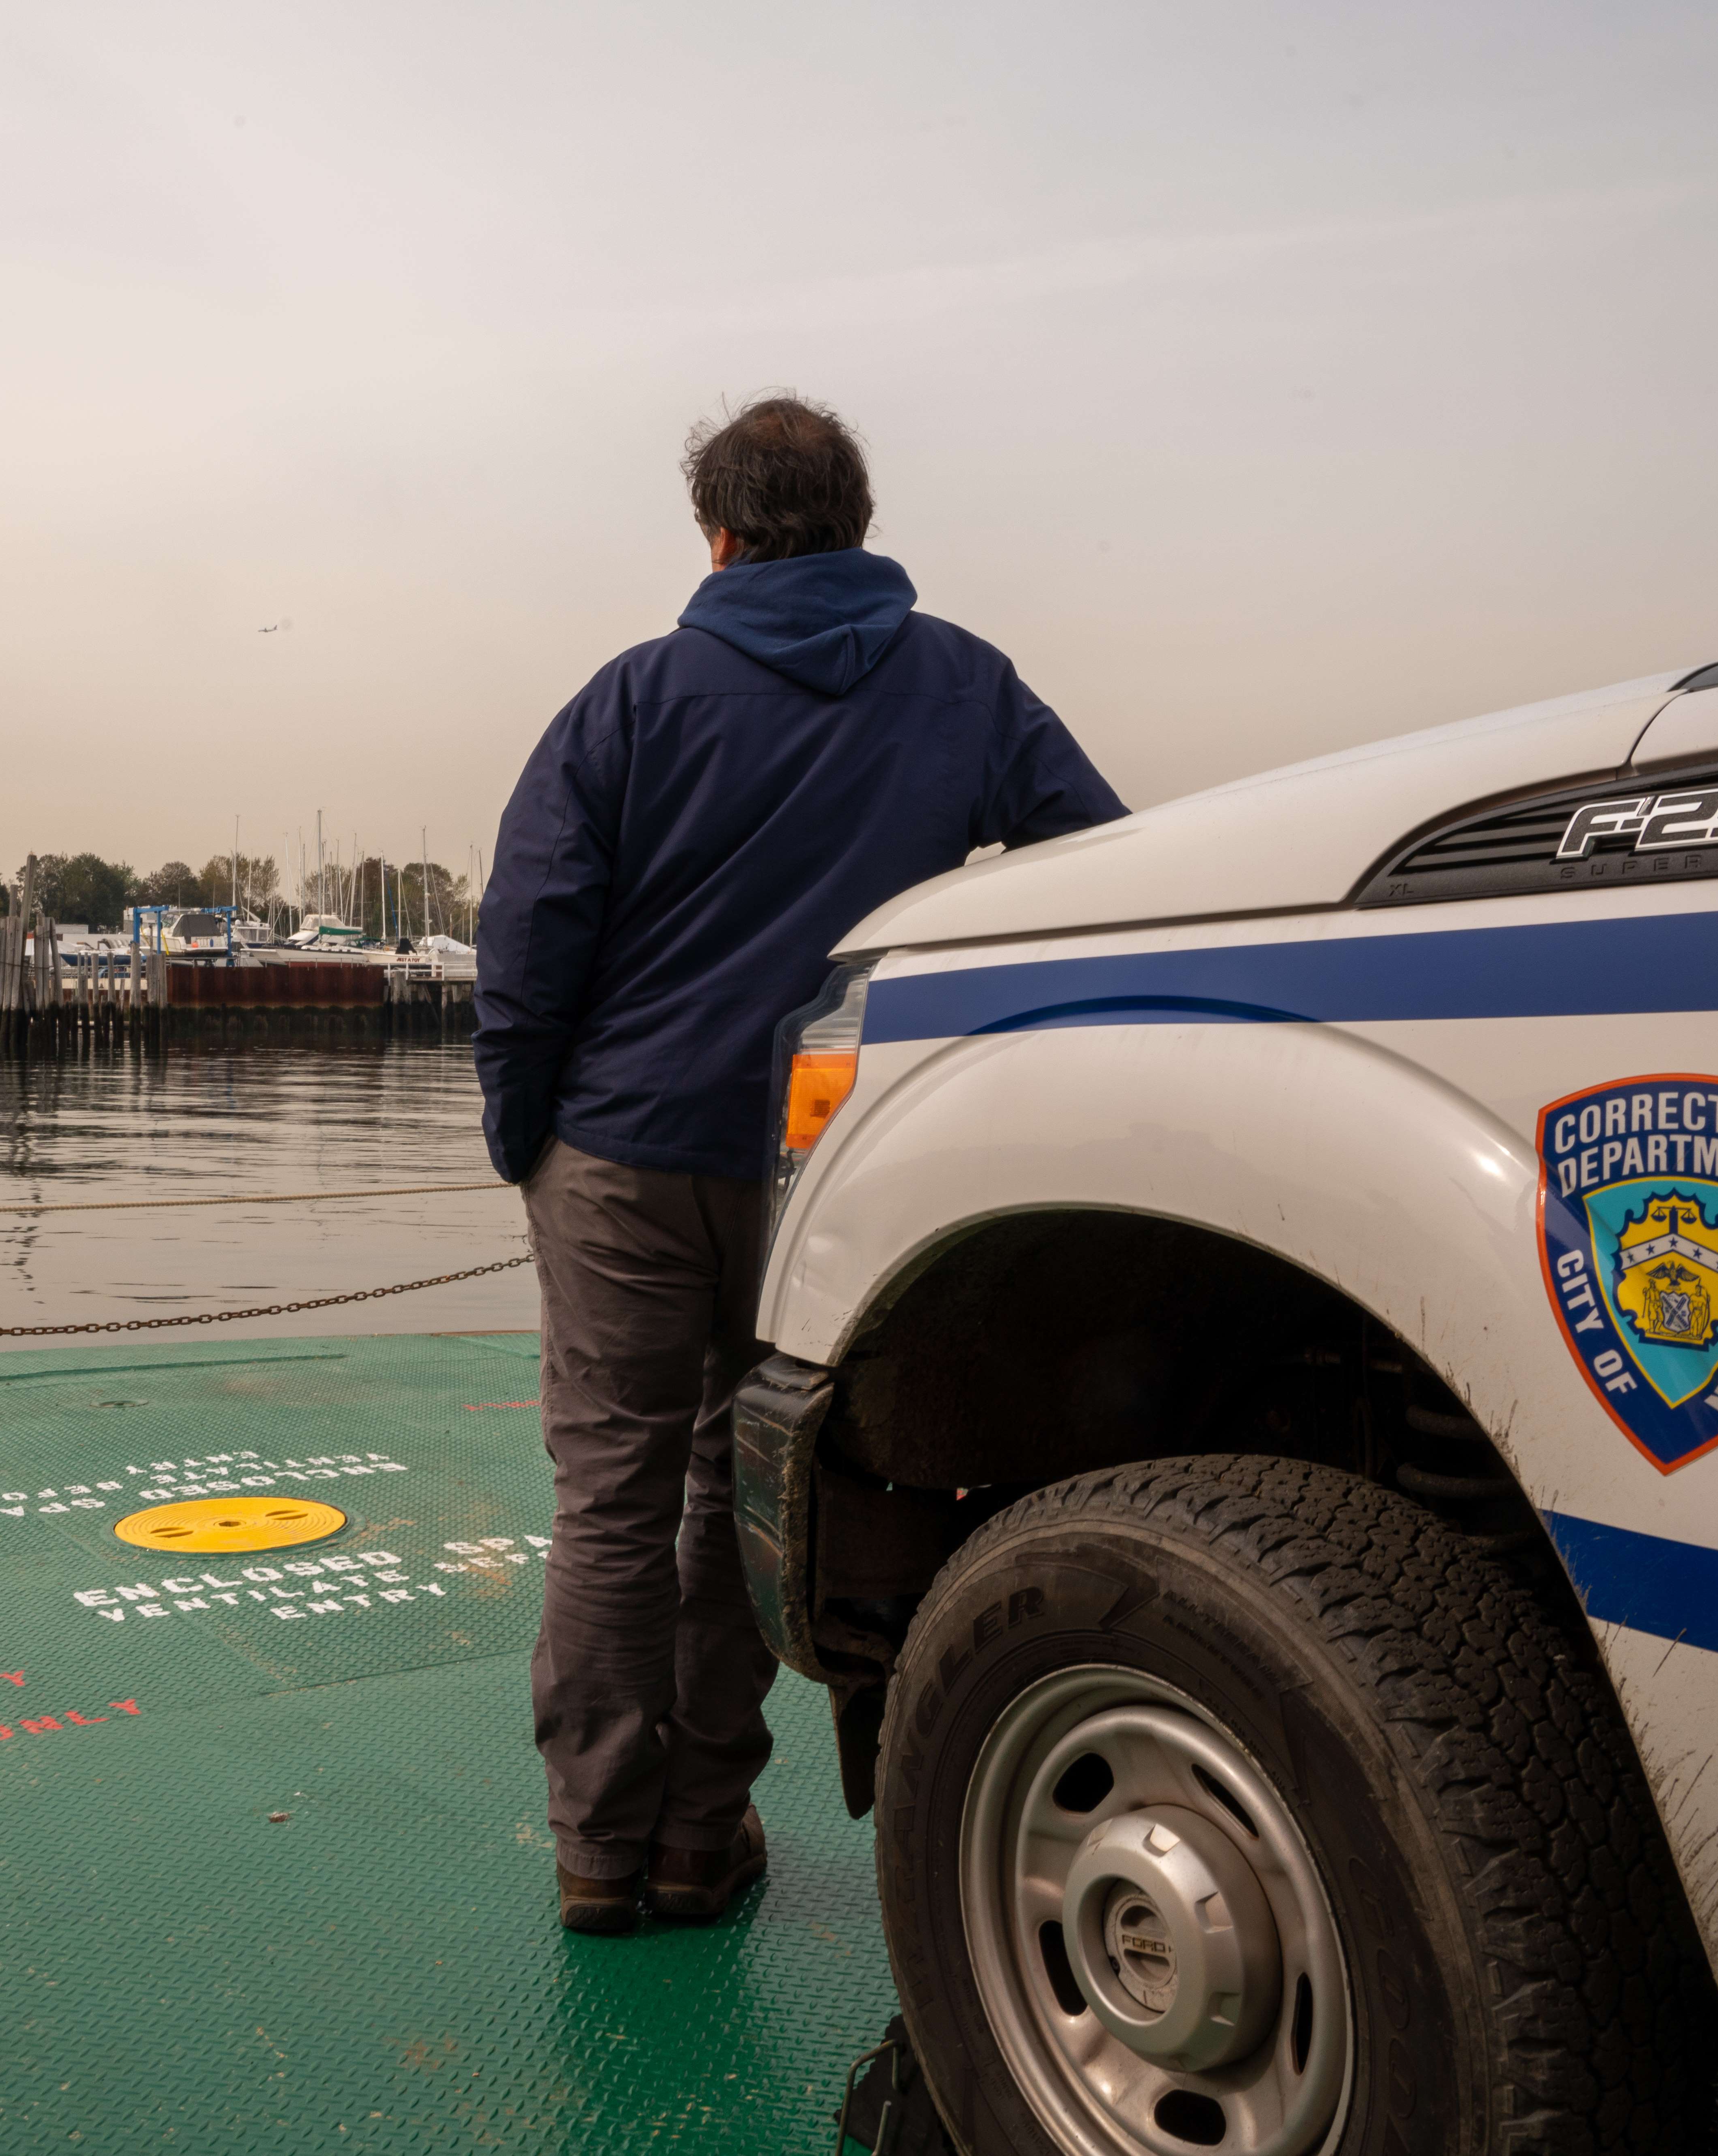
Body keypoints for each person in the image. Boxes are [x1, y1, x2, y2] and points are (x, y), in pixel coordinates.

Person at [473, 395, 1125, 1934]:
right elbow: (1096, 873)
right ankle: (705, 1833)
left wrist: (525, 1133)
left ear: (715, 531)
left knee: (612, 1499)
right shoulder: (965, 686)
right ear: (858, 523)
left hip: (623, 1156)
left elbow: (529, 935)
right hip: (829, 1168)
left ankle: (596, 1850)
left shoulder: (632, 702)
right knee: (731, 1489)